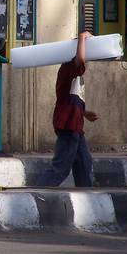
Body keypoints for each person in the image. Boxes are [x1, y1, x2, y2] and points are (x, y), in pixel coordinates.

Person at [36, 31, 99, 187]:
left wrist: (84, 113)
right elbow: (80, 59)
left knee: (84, 162)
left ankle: (86, 195)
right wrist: (83, 37)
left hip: (75, 125)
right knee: (61, 168)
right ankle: (38, 192)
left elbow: (71, 99)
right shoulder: (69, 68)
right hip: (68, 125)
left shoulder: (75, 75)